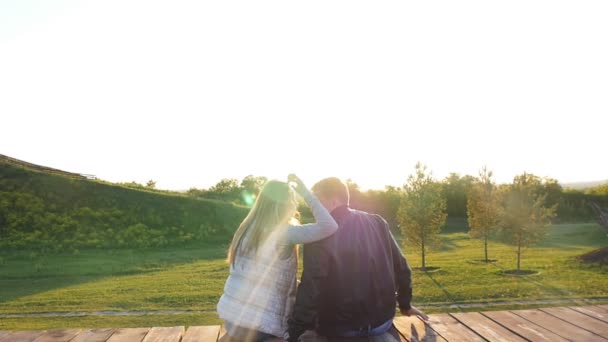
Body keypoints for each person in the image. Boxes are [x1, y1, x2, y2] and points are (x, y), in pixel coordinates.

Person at [287, 177, 428, 342]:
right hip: (382, 327)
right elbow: (402, 268)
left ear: (332, 200)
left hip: (338, 332)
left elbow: (311, 288)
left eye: (316, 201)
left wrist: (294, 333)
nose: (313, 208)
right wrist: (405, 305)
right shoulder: (377, 222)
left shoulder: (320, 234)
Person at [217, 175, 339, 342]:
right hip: (261, 329)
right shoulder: (284, 233)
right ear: (286, 204)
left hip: (233, 321)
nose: (295, 204)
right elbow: (329, 226)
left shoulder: (246, 228)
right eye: (292, 200)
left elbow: (263, 276)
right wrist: (305, 193)